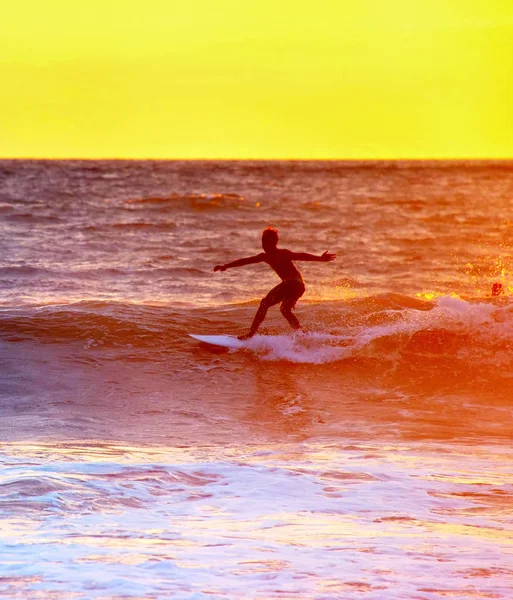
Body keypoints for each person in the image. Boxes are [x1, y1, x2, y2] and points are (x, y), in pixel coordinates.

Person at [213, 227, 336, 339]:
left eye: (266, 243)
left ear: (273, 243)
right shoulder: (265, 256)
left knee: (265, 303)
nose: (264, 245)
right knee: (285, 310)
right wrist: (226, 266)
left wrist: (319, 258)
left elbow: (301, 256)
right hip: (298, 286)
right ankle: (300, 333)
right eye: (262, 243)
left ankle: (251, 334)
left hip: (293, 284)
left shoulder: (283, 253)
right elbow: (246, 260)